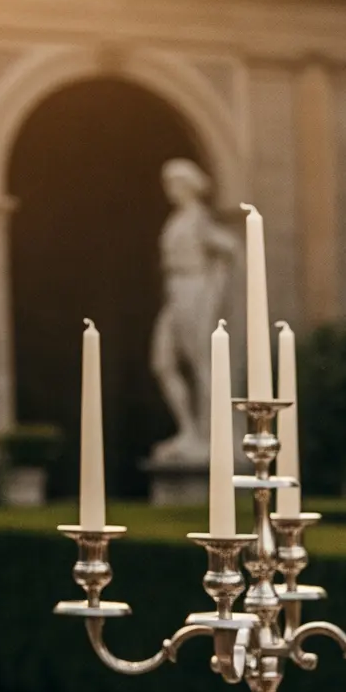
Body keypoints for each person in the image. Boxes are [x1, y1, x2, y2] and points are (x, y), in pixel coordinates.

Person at [150, 160, 235, 472]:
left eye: (173, 182)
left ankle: (210, 434)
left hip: (192, 288)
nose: (169, 188)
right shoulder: (181, 218)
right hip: (176, 290)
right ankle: (190, 431)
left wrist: (214, 291)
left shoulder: (198, 218)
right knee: (163, 362)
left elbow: (230, 247)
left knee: (199, 362)